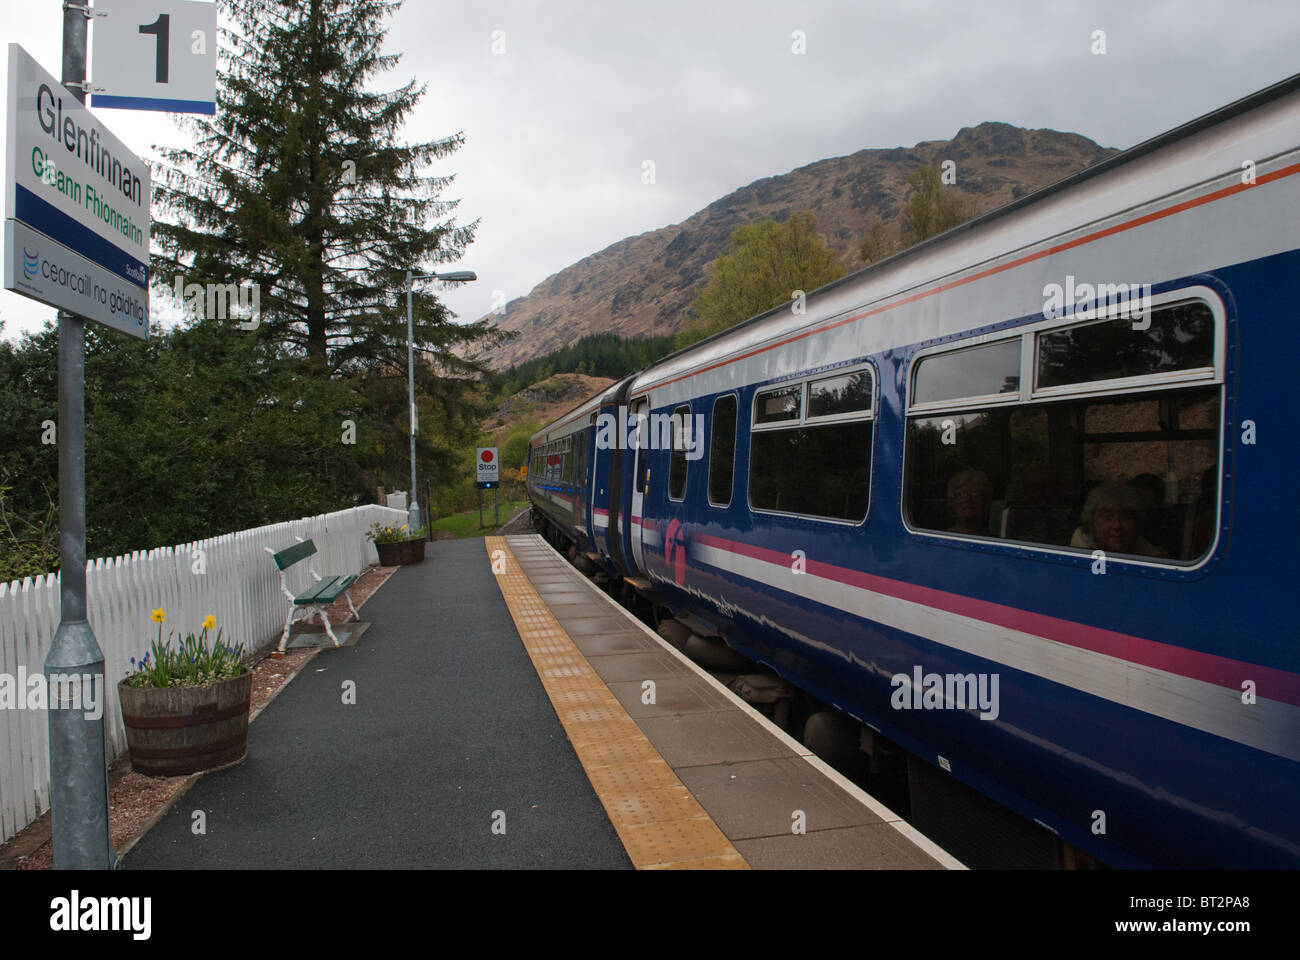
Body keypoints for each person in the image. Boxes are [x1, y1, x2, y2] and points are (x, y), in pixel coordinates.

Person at [1070, 481, 1168, 558]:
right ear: (1091, 523)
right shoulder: (1074, 556)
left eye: (1126, 517)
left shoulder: (1152, 554)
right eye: (1107, 517)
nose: (1117, 525)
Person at [947, 468, 992, 535]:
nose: (968, 499)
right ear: (953, 501)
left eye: (975, 494)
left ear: (984, 502)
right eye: (963, 494)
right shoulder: (940, 538)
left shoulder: (994, 541)